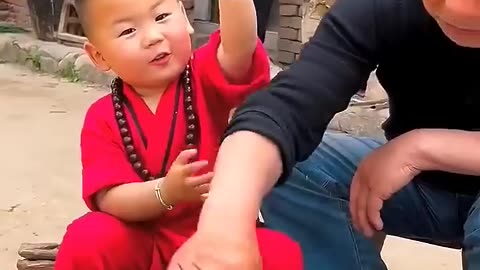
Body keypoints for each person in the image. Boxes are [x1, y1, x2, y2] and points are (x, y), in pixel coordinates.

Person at [168, 0, 480, 269]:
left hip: (434, 170)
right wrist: (224, 222)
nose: (457, 7)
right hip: (418, 188)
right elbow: (290, 104)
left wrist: (420, 148)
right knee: (293, 165)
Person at [53, 0, 303, 269]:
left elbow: (240, 47)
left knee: (279, 252)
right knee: (89, 236)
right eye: (128, 31)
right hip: (141, 239)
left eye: (161, 16)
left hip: (216, 233)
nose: (153, 37)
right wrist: (166, 192)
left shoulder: (205, 76)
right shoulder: (102, 117)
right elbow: (109, 198)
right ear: (99, 56)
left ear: (184, 18)